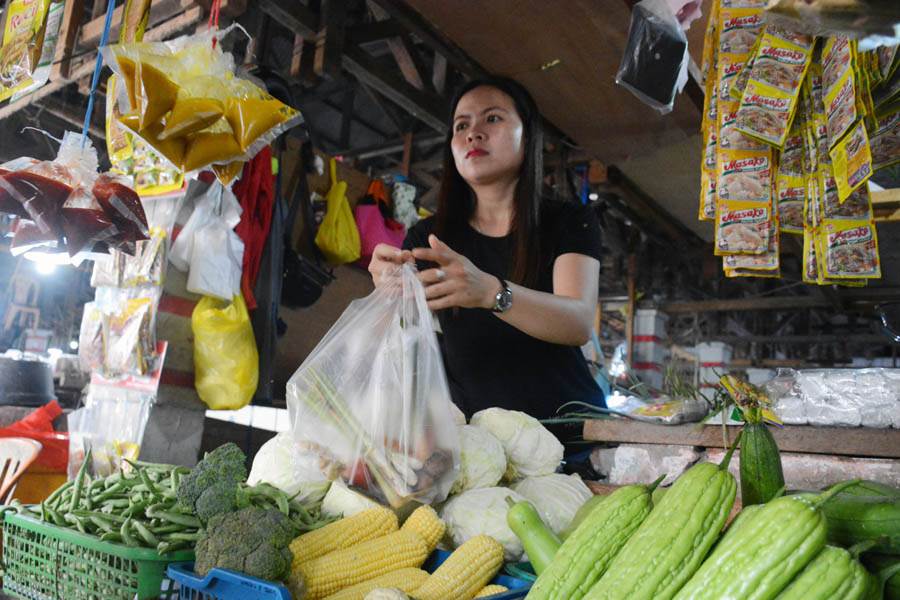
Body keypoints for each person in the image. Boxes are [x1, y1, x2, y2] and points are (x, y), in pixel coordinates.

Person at [369, 76, 604, 422]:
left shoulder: (568, 220)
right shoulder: (429, 237)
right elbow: (404, 331)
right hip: (474, 435)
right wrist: (388, 289)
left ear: (528, 136)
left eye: (492, 118)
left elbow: (578, 322)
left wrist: (492, 293)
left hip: (567, 428)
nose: (473, 134)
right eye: (461, 125)